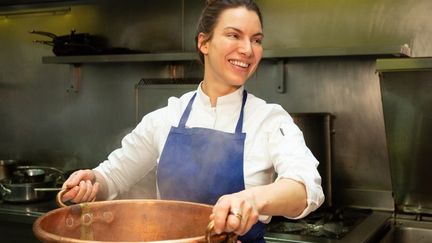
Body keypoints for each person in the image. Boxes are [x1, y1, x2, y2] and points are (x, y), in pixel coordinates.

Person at [61, 0, 324, 242]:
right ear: (204, 43)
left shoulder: (268, 119)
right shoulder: (168, 116)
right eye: (234, 35)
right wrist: (92, 181)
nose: (247, 49)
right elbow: (113, 177)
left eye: (256, 40)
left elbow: (305, 188)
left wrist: (253, 200)